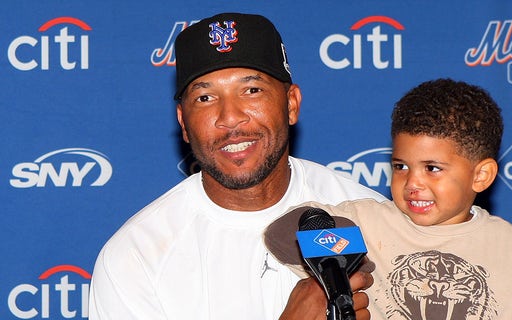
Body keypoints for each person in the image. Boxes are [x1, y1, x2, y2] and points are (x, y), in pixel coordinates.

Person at [88, 12, 386, 320]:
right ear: (184, 123)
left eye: (251, 90)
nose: (230, 117)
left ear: (291, 104)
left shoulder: (374, 221)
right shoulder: (135, 256)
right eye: (205, 97)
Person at [265, 79, 512, 319]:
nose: (412, 182)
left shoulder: (510, 243)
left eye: (432, 168)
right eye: (401, 166)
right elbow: (280, 234)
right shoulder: (368, 223)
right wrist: (344, 255)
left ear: (481, 176)